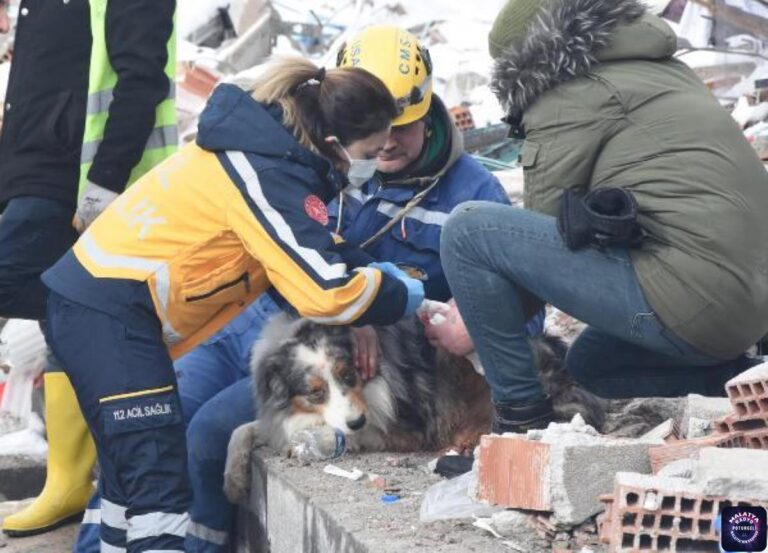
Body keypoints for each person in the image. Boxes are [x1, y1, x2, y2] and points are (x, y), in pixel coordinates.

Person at [40, 57, 424, 553]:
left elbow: (301, 249)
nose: (371, 164)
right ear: (333, 144)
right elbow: (323, 289)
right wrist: (393, 292)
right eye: (369, 153)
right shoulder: (265, 173)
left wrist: (364, 275)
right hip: (110, 316)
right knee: (158, 483)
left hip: (91, 305)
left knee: (126, 480)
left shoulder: (261, 152)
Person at [429, 0, 768, 434]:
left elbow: (533, 258)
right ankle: (744, 380)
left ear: (519, 64)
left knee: (469, 231)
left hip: (694, 296)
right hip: (745, 309)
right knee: (593, 364)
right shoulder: (659, 67)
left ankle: (520, 425)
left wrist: (471, 325)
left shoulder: (566, 95)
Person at [0, 0, 176, 538]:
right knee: (70, 319)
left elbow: (141, 78)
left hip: (74, 182)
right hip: (29, 175)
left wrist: (104, 182)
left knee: (71, 310)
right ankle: (70, 482)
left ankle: (82, 483)